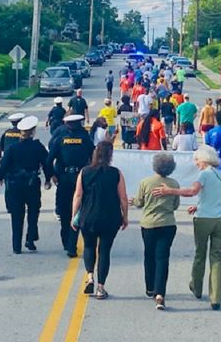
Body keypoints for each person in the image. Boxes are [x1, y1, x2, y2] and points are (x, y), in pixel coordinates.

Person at [152, 146, 221, 310]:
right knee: (216, 257)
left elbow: (192, 191)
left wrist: (170, 191)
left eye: (197, 160)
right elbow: (217, 195)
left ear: (204, 159)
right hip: (220, 219)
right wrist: (198, 205)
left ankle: (197, 285)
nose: (196, 163)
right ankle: (215, 296)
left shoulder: (204, 174)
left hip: (204, 219)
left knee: (200, 253)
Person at [72, 141, 129, 300]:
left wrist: (73, 216)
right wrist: (125, 216)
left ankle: (90, 276)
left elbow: (77, 196)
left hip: (88, 216)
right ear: (110, 155)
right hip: (110, 217)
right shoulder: (116, 173)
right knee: (104, 251)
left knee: (89, 247)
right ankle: (100, 287)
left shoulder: (84, 172)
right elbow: (123, 198)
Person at [0, 116, 52, 253]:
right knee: (33, 212)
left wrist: (0, 178)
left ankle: (16, 247)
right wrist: (48, 179)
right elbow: (47, 162)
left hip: (15, 185)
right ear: (32, 131)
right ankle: (30, 239)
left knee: (16, 215)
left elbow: (4, 164)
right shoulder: (38, 147)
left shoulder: (13, 148)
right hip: (31, 184)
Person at [133, 152, 180, 310]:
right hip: (167, 224)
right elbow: (175, 205)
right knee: (163, 258)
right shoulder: (174, 184)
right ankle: (160, 293)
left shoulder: (146, 182)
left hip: (149, 224)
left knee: (149, 255)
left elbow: (139, 203)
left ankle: (150, 287)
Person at [48, 114, 94, 258]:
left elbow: (49, 159)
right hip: (80, 178)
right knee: (79, 210)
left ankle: (67, 242)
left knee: (64, 211)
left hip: (64, 179)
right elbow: (94, 156)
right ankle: (71, 245)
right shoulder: (85, 137)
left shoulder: (60, 139)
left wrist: (52, 175)